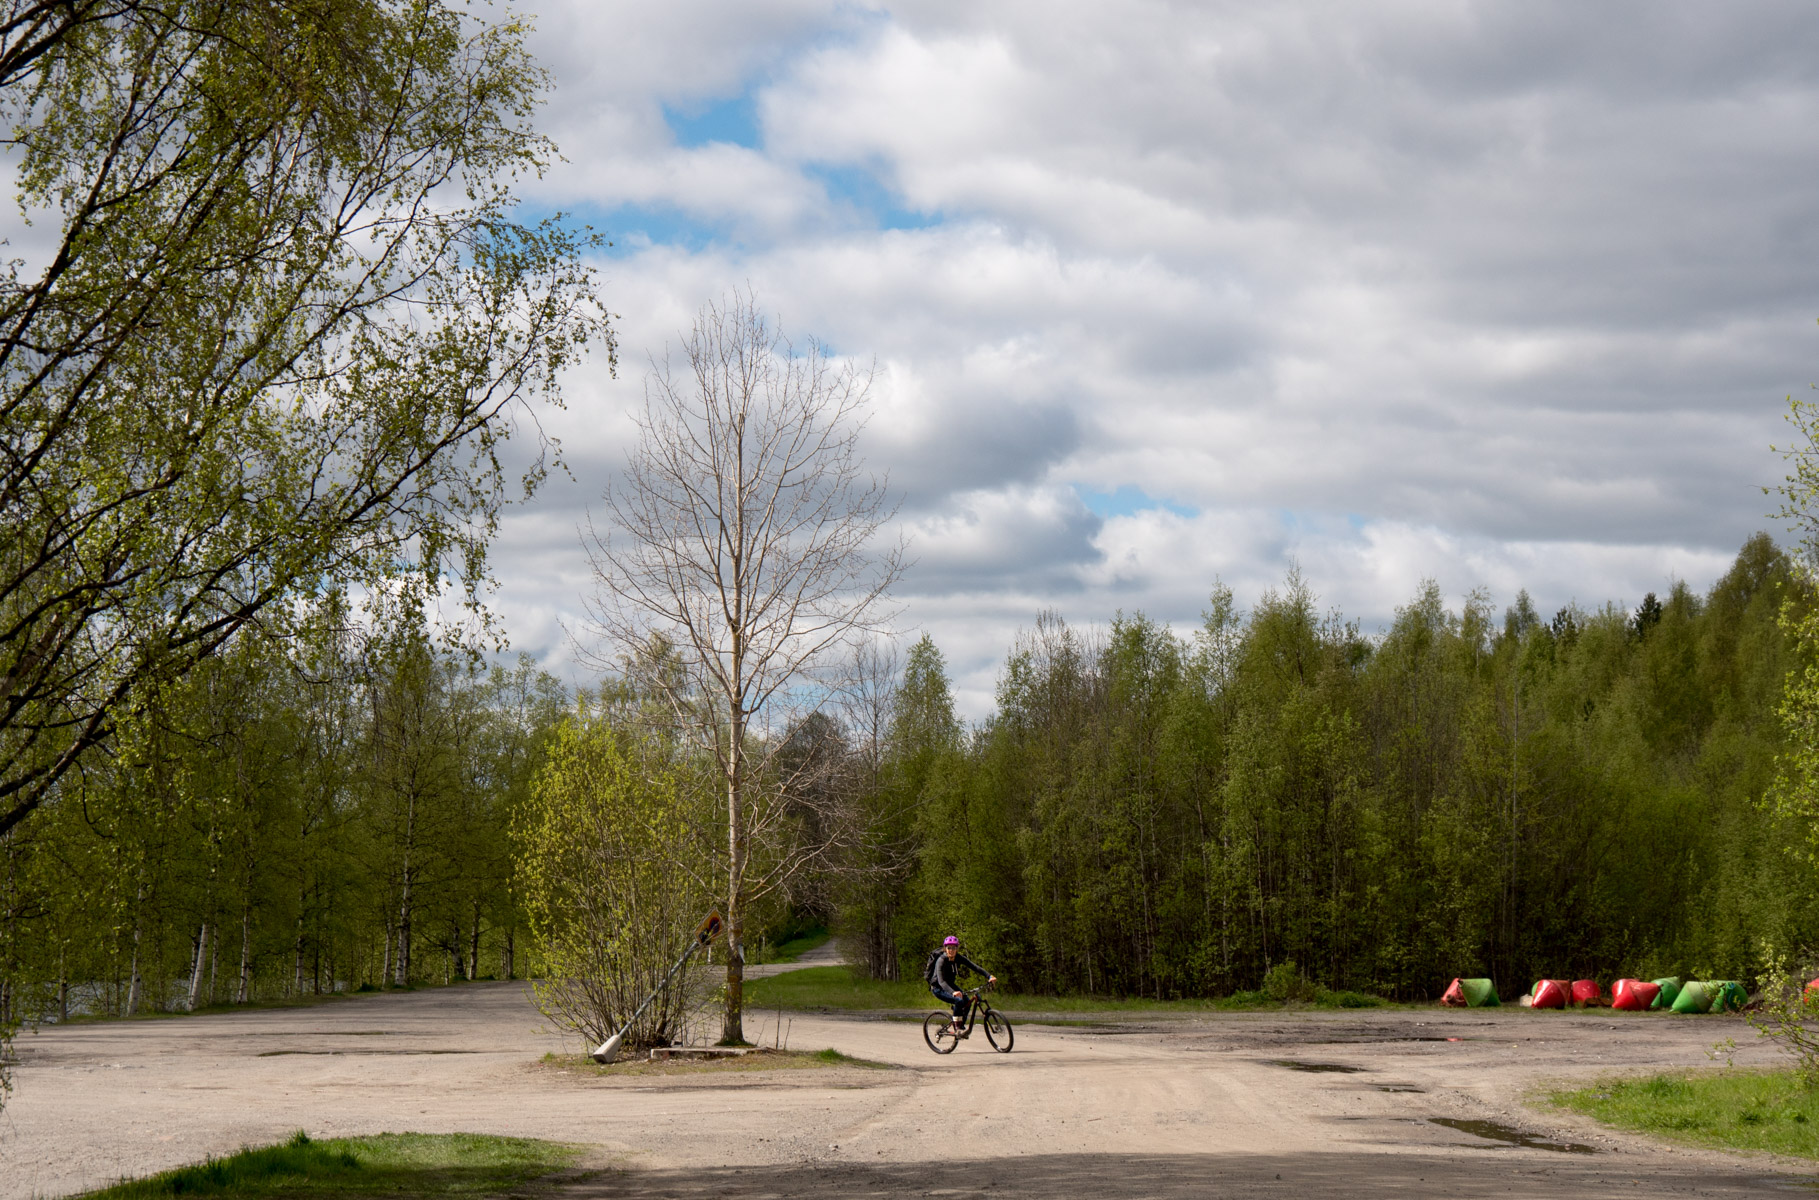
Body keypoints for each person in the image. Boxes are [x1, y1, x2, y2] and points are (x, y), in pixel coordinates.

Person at [927, 936, 996, 1032]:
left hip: (949, 985)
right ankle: (957, 1027)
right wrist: (953, 992)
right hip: (938, 988)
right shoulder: (941, 961)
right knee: (958, 1000)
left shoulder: (959, 958)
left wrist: (989, 976)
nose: (951, 950)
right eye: (949, 948)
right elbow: (941, 981)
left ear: (957, 949)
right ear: (945, 949)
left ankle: (961, 1023)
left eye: (954, 948)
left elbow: (975, 967)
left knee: (967, 1001)